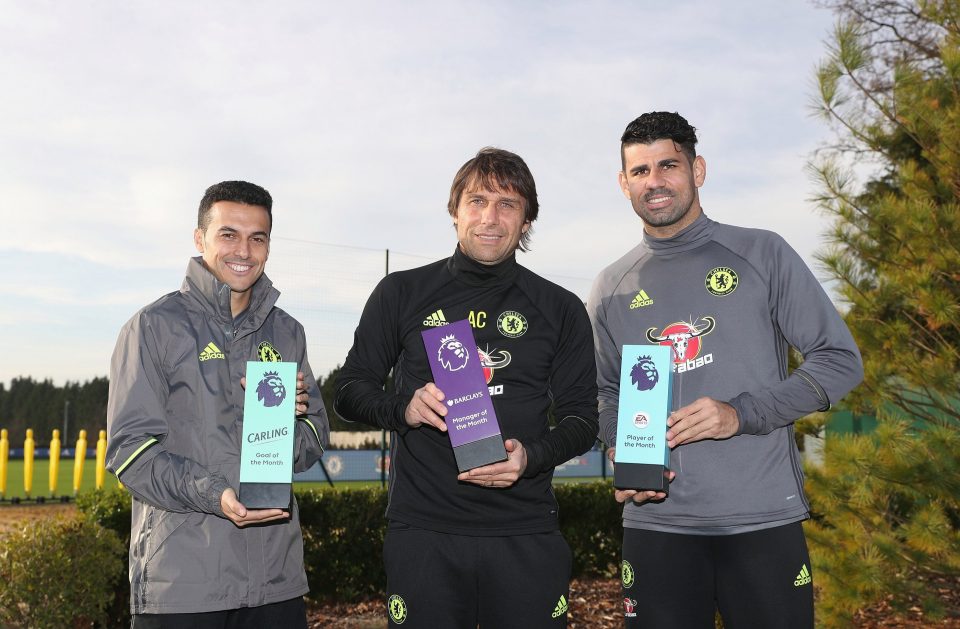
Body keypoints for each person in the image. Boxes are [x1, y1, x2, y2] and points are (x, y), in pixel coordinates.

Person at [587, 112, 863, 628]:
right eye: (641, 171)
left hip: (761, 520)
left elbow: (839, 360)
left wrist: (741, 414)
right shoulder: (610, 287)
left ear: (698, 169)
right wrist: (621, 445)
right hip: (657, 525)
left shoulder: (762, 252)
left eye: (668, 165)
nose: (656, 181)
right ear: (624, 183)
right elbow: (605, 395)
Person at [334, 147, 599, 628]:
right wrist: (404, 408)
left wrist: (530, 456)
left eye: (508, 204)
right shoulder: (402, 292)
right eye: (477, 201)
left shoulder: (560, 308)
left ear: (527, 220)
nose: (490, 218)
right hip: (425, 533)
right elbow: (350, 390)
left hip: (525, 532)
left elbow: (583, 421)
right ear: (454, 211)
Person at [106, 180, 329, 627]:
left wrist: (287, 430)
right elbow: (130, 452)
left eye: (257, 237)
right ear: (199, 238)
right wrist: (214, 493)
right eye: (228, 234)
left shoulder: (287, 332)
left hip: (276, 581)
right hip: (183, 586)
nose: (243, 250)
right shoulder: (153, 327)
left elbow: (316, 432)